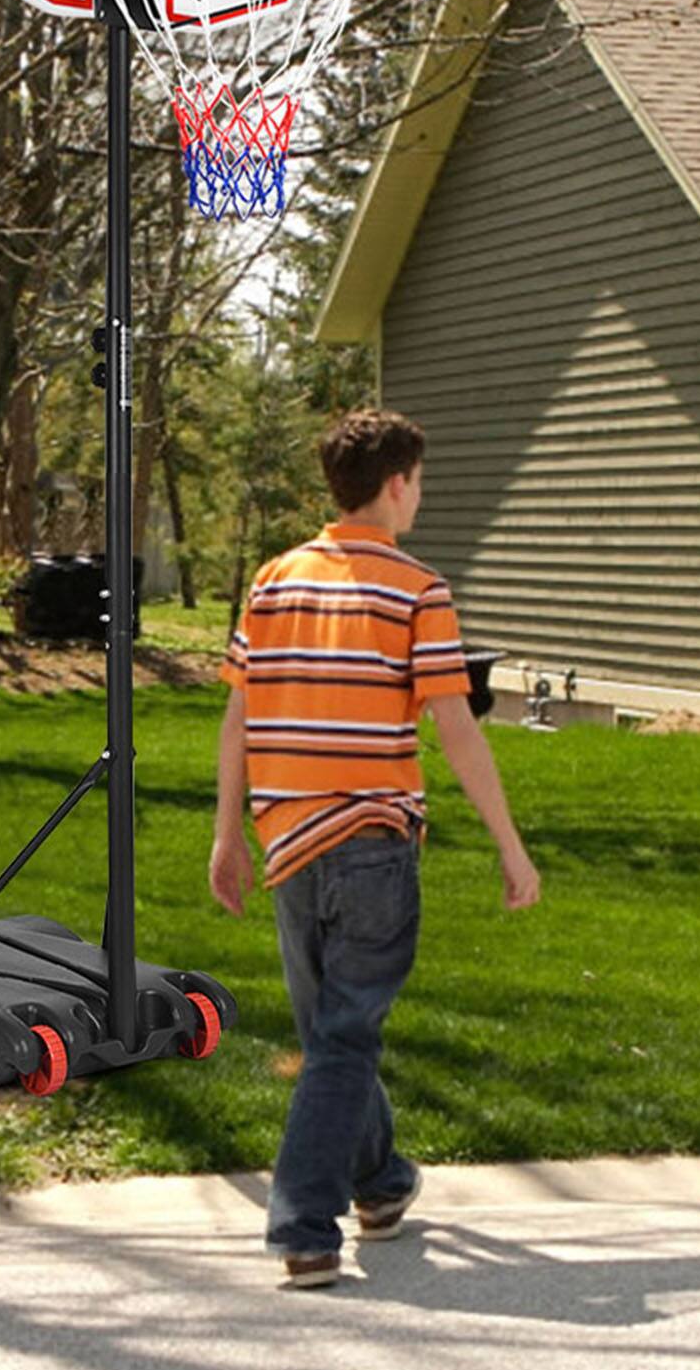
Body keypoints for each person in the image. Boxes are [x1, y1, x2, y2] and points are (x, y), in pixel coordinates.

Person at [209, 409, 541, 1287]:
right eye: (420, 481)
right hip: (370, 845)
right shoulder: (418, 589)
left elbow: (239, 715)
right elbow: (458, 729)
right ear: (397, 484)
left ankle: (382, 1182)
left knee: (332, 1033)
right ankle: (304, 1227)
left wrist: (225, 833)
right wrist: (511, 846)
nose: (420, 495)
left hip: (285, 842)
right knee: (344, 1039)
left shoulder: (274, 580)